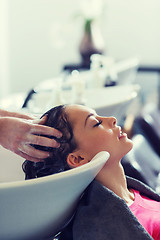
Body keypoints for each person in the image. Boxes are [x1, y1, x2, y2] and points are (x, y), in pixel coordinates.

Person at [23, 104, 160, 240]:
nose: (112, 119)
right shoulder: (105, 229)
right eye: (96, 123)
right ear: (78, 159)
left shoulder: (135, 194)